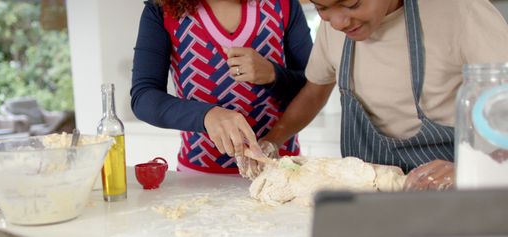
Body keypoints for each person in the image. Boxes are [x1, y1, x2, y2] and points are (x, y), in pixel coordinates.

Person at [244, 0, 508, 189]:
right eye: (323, 8)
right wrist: (271, 141)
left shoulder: (460, 11)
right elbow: (314, 91)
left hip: (451, 191)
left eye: (352, 4)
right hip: (372, 199)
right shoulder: (335, 29)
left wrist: (471, 170)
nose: (337, 22)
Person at [130, 0, 313, 174]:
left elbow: (314, 87)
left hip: (281, 171)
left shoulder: (284, 5)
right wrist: (206, 115)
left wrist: (274, 75)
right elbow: (143, 97)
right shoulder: (161, 10)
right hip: (199, 179)